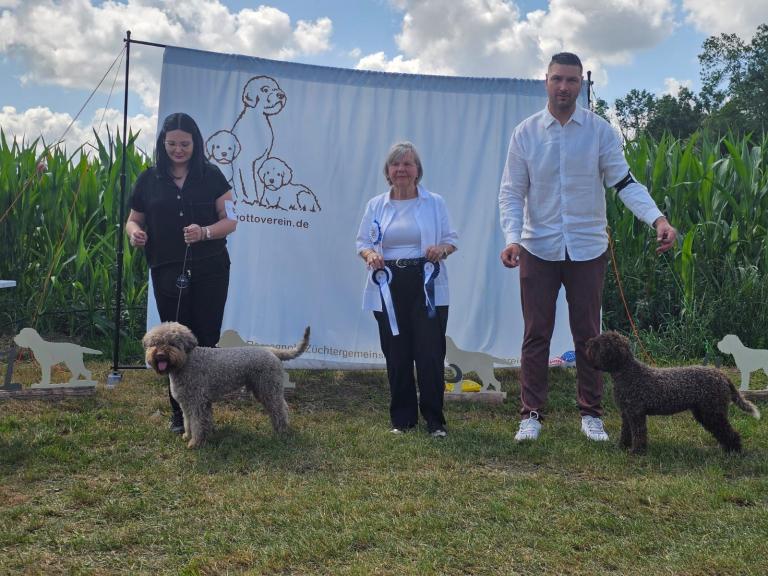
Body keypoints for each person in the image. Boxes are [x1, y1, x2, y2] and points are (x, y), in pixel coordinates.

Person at [498, 52, 677, 442]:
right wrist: (512, 238)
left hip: (588, 249)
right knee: (536, 334)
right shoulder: (525, 133)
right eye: (557, 79)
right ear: (546, 81)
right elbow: (511, 193)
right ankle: (531, 414)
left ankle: (591, 414)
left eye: (572, 80)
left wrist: (658, 219)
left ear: (581, 84)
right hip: (537, 248)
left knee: (588, 336)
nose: (564, 87)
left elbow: (625, 183)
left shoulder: (599, 132)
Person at [126, 112, 237, 433]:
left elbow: (231, 220)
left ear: (195, 143)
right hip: (167, 271)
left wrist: (204, 232)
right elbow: (133, 220)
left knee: (205, 339)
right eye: (172, 143)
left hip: (211, 269)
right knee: (171, 343)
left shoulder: (213, 176)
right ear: (163, 143)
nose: (178, 150)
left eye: (185, 144)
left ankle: (202, 411)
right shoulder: (148, 179)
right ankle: (179, 413)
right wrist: (135, 234)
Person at [356, 141, 458, 437]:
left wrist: (441, 249)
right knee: (396, 353)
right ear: (388, 171)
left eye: (408, 163)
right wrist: (370, 255)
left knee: (430, 354)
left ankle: (435, 421)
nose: (401, 169)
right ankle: (402, 420)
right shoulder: (376, 204)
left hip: (426, 282)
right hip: (388, 283)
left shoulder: (434, 202)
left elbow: (451, 239)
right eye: (396, 164)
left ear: (417, 170)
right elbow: (362, 242)